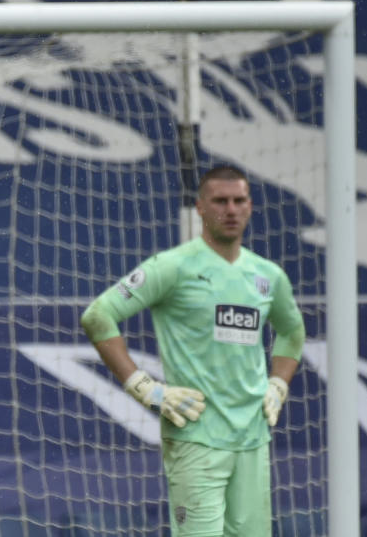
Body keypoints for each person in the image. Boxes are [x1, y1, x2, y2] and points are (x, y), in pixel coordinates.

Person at [80, 165, 305, 537]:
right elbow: (98, 315)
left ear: (250, 206)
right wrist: (143, 386)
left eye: (239, 200)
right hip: (196, 438)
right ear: (200, 207)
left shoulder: (268, 276)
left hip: (252, 439)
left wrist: (278, 385)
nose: (230, 210)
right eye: (220, 201)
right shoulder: (173, 267)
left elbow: (293, 332)